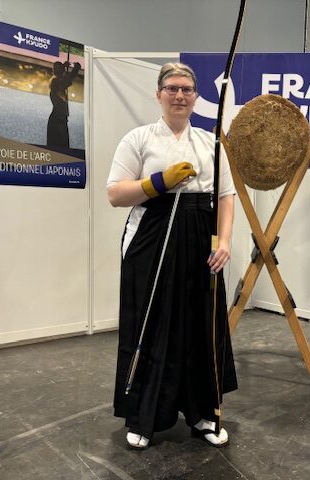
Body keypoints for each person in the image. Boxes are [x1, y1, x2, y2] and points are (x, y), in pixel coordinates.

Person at [107, 63, 237, 450]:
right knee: (151, 323)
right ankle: (144, 415)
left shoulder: (211, 143)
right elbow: (115, 194)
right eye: (171, 88)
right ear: (158, 94)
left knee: (201, 323)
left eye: (186, 89)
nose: (179, 95)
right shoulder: (139, 139)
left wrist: (224, 240)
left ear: (196, 96)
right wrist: (157, 182)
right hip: (153, 233)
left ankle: (203, 412)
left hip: (200, 234)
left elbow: (226, 196)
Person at [46, 60, 80, 147]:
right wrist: (75, 69)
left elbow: (66, 80)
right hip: (58, 120)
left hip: (60, 119)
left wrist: (66, 70)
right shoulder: (55, 82)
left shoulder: (56, 81)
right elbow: (67, 80)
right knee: (61, 147)